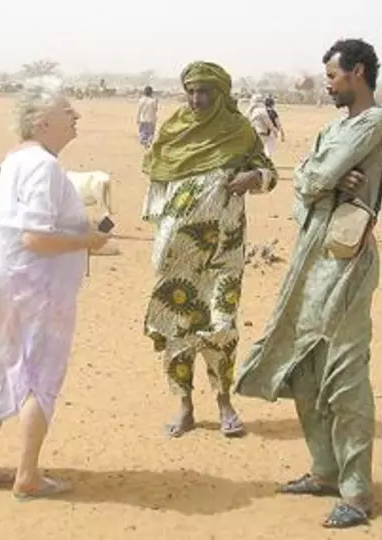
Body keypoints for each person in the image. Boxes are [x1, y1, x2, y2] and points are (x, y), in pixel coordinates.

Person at [233, 39, 382, 528]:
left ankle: (357, 492)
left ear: (358, 72)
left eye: (333, 75)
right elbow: (303, 184)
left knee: (344, 375)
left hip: (346, 264)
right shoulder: (334, 127)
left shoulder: (374, 121)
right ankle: (324, 470)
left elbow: (317, 171)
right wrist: (315, 177)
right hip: (310, 260)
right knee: (304, 368)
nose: (327, 83)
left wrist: (317, 176)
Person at [0, 76, 111, 500]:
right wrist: (88, 241)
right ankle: (28, 475)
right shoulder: (43, 165)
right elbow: (35, 237)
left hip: (5, 281)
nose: (76, 116)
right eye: (66, 111)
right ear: (41, 122)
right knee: (38, 374)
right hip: (34, 289)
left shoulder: (18, 158)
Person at [141, 61, 278, 438]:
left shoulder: (240, 132)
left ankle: (224, 403)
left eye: (206, 92)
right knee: (177, 327)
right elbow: (156, 184)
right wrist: (161, 237)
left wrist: (255, 178)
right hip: (177, 253)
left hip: (224, 249)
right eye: (192, 91)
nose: (198, 99)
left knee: (222, 326)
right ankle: (184, 405)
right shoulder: (173, 130)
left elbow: (270, 173)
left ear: (221, 94)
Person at [245, 93, 278, 157]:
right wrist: (274, 130)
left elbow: (245, 119)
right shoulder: (262, 110)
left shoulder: (249, 110)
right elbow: (268, 122)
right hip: (261, 133)